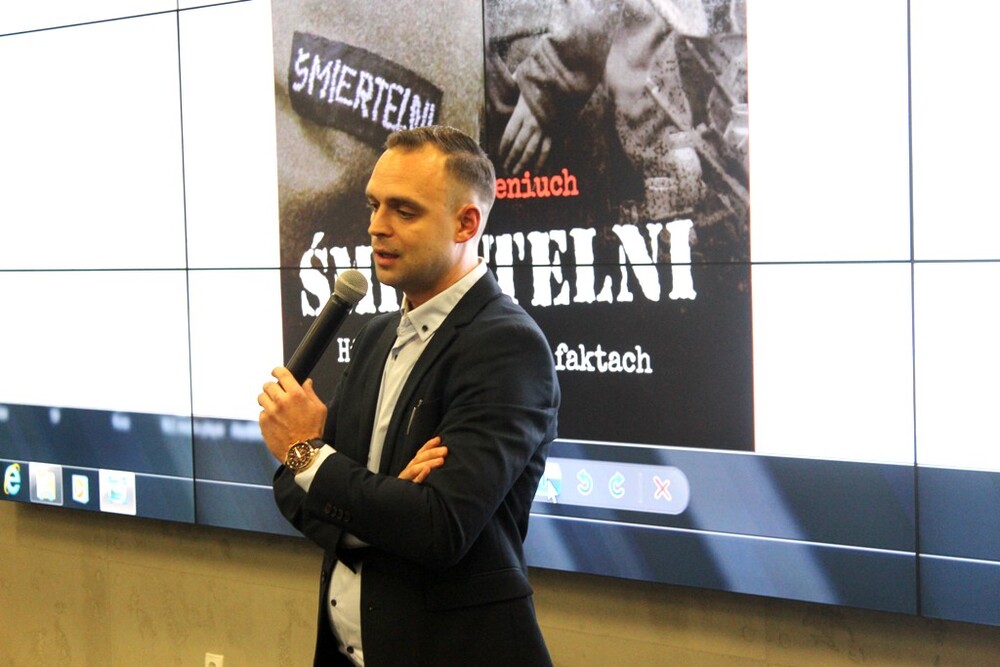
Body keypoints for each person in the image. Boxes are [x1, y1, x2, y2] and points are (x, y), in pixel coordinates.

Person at [258, 125, 560, 666]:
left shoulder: (505, 345)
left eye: (403, 210)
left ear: (466, 223)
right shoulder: (375, 335)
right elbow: (292, 490)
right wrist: (380, 504)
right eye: (373, 205)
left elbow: (438, 528)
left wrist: (309, 453)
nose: (376, 226)